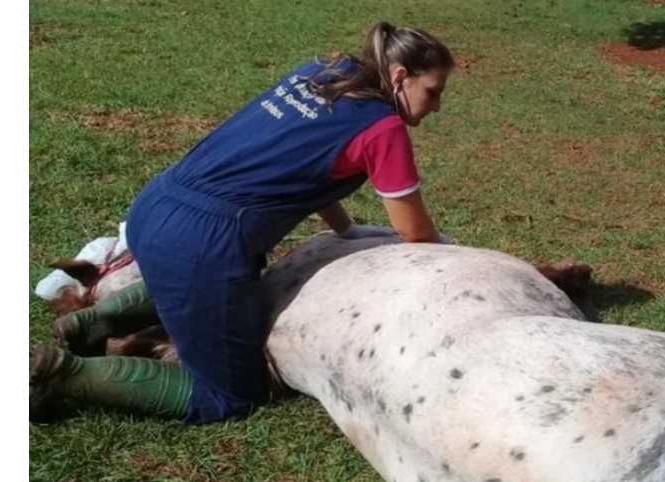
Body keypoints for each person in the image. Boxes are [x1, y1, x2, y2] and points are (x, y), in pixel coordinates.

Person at [30, 21, 455, 424]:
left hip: (155, 205)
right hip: (202, 243)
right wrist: (450, 251)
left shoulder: (324, 73)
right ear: (400, 75)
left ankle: (92, 321)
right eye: (433, 92)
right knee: (230, 394)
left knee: (225, 285)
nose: (436, 106)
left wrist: (345, 229)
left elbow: (310, 161)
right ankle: (65, 372)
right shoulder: (383, 129)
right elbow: (415, 234)